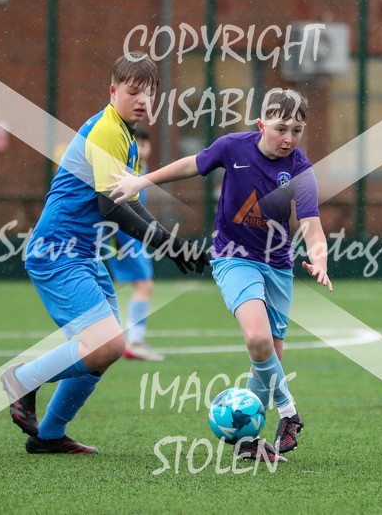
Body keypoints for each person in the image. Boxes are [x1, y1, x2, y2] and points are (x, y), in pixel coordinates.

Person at [0, 51, 209, 455]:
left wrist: (169, 241)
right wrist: (168, 244)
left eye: (149, 94)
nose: (142, 101)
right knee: (107, 345)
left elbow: (129, 200)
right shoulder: (107, 130)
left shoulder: (126, 136)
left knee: (103, 353)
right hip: (57, 252)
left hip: (84, 254)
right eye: (133, 92)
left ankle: (48, 436)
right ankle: (21, 380)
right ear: (113, 91)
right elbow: (111, 207)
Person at [109, 88, 333, 463]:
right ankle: (290, 413)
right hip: (233, 259)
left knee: (268, 357)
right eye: (281, 129)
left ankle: (249, 443)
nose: (289, 138)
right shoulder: (233, 147)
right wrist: (140, 182)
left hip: (278, 267)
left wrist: (320, 258)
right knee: (258, 338)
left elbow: (312, 224)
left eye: (297, 130)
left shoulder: (300, 169)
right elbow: (190, 164)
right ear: (262, 125)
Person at [102, 127, 164, 361]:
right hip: (124, 237)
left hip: (131, 236)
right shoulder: (125, 171)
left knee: (140, 286)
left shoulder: (142, 170)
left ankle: (128, 340)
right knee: (144, 286)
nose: (141, 149)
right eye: (136, 144)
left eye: (145, 144)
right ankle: (133, 342)